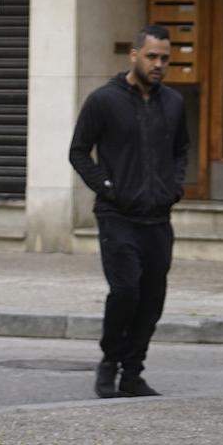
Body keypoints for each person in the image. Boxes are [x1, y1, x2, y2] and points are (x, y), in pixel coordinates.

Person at [68, 25, 189, 399]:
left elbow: (182, 150)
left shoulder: (173, 103)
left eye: (165, 59)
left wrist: (174, 187)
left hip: (157, 218)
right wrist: (107, 188)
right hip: (117, 216)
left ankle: (133, 372)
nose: (158, 65)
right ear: (134, 55)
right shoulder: (104, 100)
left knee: (152, 299)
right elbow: (78, 151)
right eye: (152, 56)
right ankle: (110, 362)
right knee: (125, 291)